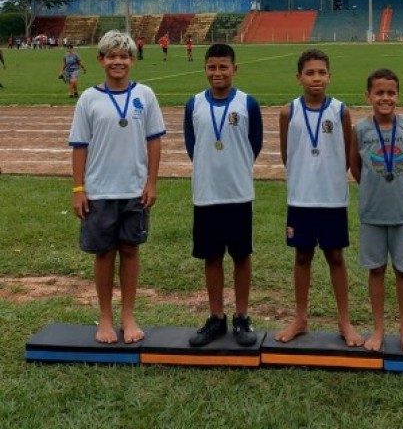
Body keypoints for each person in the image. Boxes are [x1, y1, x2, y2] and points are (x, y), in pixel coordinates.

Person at [68, 30, 165, 344]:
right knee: (105, 254)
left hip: (134, 189)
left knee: (131, 250)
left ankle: (129, 315)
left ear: (132, 60)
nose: (118, 62)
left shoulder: (145, 95)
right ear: (100, 60)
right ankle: (106, 318)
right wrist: (78, 189)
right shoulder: (89, 98)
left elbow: (154, 142)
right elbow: (79, 146)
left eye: (124, 56)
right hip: (99, 190)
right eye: (111, 56)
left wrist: (151, 182)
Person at [275, 49, 363, 347]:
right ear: (298, 76)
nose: (316, 78)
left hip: (332, 199)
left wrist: (328, 179)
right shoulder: (289, 112)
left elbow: (348, 155)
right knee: (302, 256)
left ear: (329, 76)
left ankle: (344, 321)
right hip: (300, 198)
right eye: (310, 73)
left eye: (321, 72)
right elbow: (289, 155)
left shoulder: (341, 111)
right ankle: (300, 318)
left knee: (336, 257)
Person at [184, 43, 263, 347]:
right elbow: (193, 146)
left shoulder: (248, 104)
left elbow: (254, 144)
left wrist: (235, 167)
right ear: (205, 69)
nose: (217, 73)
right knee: (212, 256)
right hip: (206, 193)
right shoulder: (194, 104)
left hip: (238, 192)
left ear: (234, 69)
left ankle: (242, 317)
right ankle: (216, 317)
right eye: (212, 67)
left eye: (223, 67)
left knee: (241, 256)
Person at [349, 68, 403, 353]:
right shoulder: (361, 130)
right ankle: (378, 328)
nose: (385, 98)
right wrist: (373, 187)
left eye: (391, 93)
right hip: (372, 213)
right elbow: (356, 167)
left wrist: (400, 188)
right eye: (379, 93)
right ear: (368, 96)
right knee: (376, 270)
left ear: (398, 95)